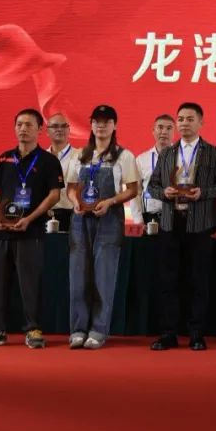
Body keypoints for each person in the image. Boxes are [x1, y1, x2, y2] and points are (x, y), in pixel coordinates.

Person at [0, 109, 64, 349]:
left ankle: (33, 330)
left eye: (29, 125)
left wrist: (30, 218)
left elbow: (54, 195)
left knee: (30, 285)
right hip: (1, 232)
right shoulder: (4, 159)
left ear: (40, 129)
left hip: (30, 232)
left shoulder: (49, 161)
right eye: (19, 124)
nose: (23, 129)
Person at [147, 102, 216, 351]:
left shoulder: (213, 153)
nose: (184, 123)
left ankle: (196, 334)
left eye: (190, 119)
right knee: (168, 281)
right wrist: (164, 193)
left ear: (201, 123)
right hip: (170, 224)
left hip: (200, 224)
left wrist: (203, 192)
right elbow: (152, 186)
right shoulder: (167, 154)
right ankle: (168, 334)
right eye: (181, 119)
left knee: (198, 281)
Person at [65, 105, 140, 350]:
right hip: (80, 220)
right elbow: (71, 187)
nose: (101, 125)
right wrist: (75, 202)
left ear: (114, 125)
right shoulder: (79, 155)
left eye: (106, 121)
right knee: (78, 275)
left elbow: (132, 189)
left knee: (103, 276)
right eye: (97, 121)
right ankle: (78, 329)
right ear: (91, 124)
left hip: (109, 219)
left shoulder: (124, 156)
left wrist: (110, 201)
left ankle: (98, 330)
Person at [134, 114, 175, 225]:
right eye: (160, 127)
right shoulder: (141, 159)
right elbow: (135, 193)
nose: (164, 132)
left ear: (174, 132)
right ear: (153, 131)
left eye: (169, 128)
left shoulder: (182, 158)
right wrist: (138, 220)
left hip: (176, 218)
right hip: (150, 218)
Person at [46, 112, 77, 231]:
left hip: (72, 215)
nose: (59, 129)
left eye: (64, 126)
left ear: (69, 130)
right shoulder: (39, 158)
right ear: (47, 131)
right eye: (55, 126)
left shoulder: (81, 156)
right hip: (44, 213)